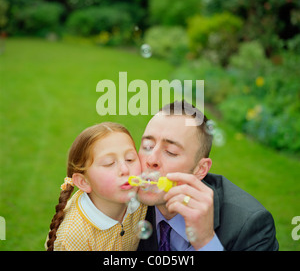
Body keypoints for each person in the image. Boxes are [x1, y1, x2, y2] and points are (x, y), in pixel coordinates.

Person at [137, 100, 279, 251]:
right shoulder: (122, 203)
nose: (151, 160)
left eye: (171, 151)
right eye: (147, 146)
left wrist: (206, 242)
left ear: (201, 169)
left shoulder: (250, 226)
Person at [46, 122, 147, 251]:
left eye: (130, 159)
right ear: (84, 182)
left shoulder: (144, 198)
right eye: (109, 163)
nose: (125, 169)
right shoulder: (73, 237)